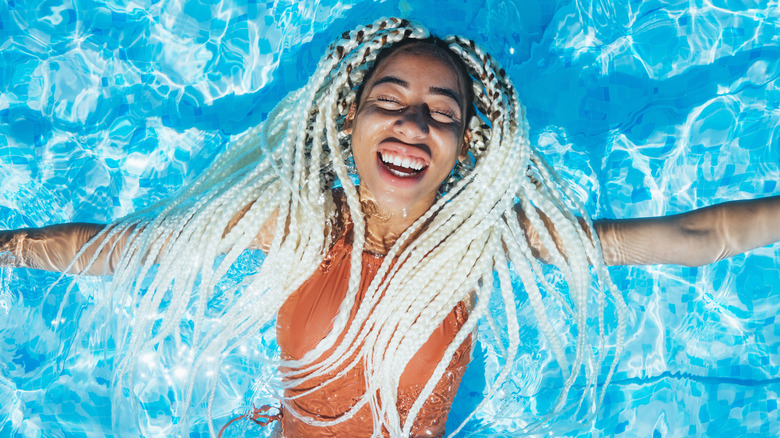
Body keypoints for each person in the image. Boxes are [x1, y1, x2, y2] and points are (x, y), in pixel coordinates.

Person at [1, 17, 779, 437]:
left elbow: (698, 239)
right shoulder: (297, 225)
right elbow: (123, 250)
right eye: (392, 97)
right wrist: (9, 249)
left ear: (467, 144)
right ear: (351, 115)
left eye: (442, 112)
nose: (413, 121)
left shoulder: (485, 244)